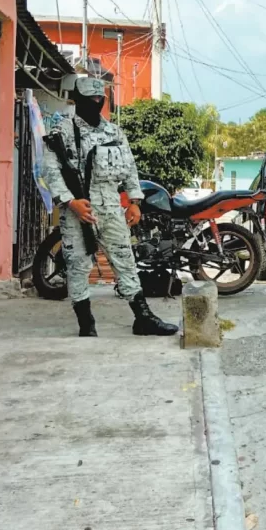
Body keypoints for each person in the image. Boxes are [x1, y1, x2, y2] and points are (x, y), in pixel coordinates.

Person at [41, 76, 177, 337]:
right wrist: (70, 202)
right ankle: (86, 323)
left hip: (112, 207)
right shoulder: (64, 131)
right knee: (78, 265)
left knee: (125, 261)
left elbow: (130, 169)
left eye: (98, 98)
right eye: (89, 99)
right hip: (79, 210)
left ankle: (143, 318)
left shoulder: (114, 132)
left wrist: (135, 202)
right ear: (77, 100)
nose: (95, 103)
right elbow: (51, 171)